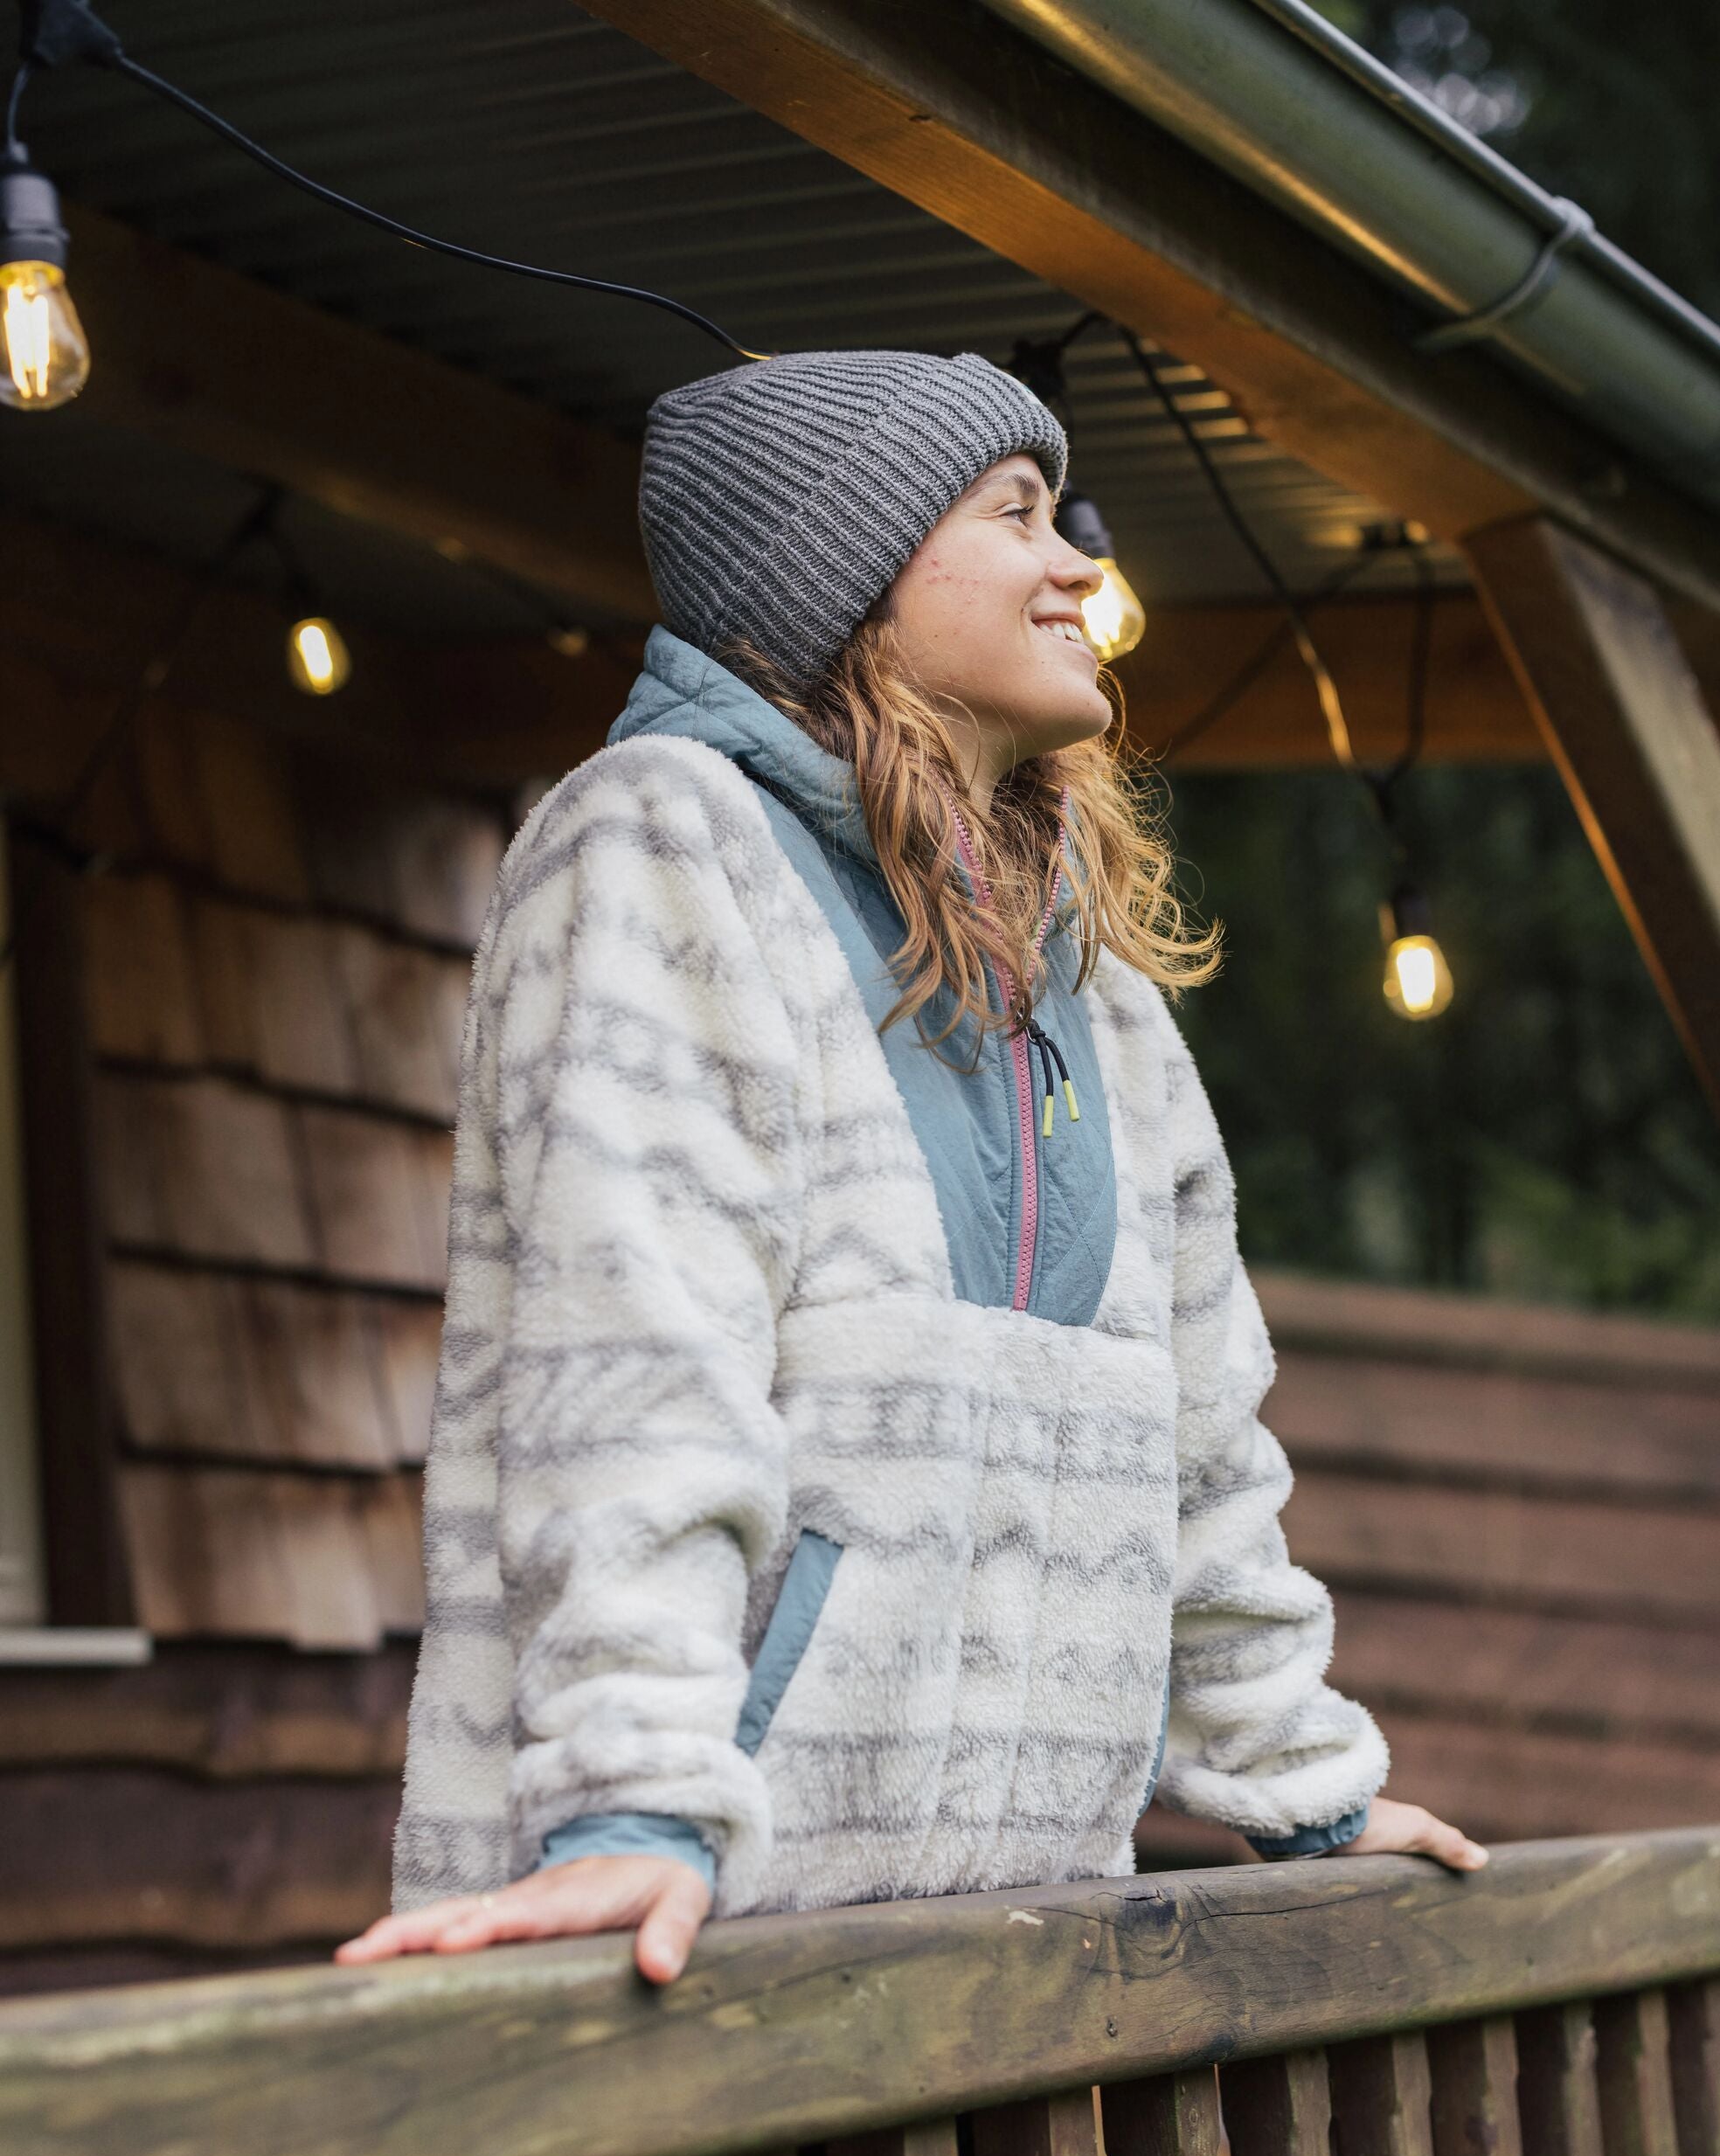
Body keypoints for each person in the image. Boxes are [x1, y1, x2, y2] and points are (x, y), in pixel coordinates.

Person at [336, 349, 1487, 1988]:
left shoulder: (1097, 983)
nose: (1077, 565)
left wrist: (1303, 1785)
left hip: (1004, 1973)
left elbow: (1201, 1444)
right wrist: (632, 1804)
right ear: (847, 572)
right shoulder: (665, 836)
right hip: (672, 1947)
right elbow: (633, 1359)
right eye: (1015, 513)